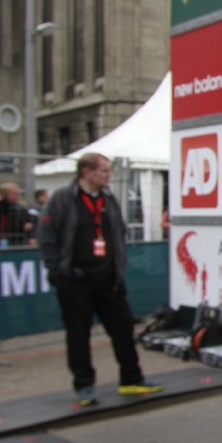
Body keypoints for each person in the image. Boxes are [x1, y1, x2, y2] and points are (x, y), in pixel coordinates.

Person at [37, 152, 161, 406]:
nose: (108, 175)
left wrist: (117, 268)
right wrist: (58, 270)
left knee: (123, 327)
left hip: (107, 279)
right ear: (87, 172)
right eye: (103, 171)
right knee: (78, 334)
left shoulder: (108, 199)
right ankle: (84, 385)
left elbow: (118, 232)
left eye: (108, 171)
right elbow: (47, 236)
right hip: (75, 279)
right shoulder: (63, 198)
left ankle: (131, 378)